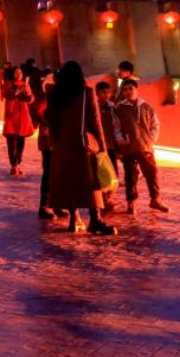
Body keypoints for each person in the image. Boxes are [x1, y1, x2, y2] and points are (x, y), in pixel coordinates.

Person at [46, 61, 117, 236]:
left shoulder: (55, 94)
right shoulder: (86, 93)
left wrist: (55, 143)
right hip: (83, 145)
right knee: (91, 183)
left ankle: (74, 219)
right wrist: (102, 146)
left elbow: (51, 120)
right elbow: (95, 121)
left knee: (70, 182)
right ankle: (95, 219)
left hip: (62, 145)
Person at [115, 79, 170, 214]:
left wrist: (151, 139)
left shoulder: (146, 106)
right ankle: (131, 202)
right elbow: (116, 127)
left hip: (145, 146)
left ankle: (155, 199)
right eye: (125, 90)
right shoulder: (119, 108)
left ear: (136, 89)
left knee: (151, 173)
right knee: (130, 176)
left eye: (130, 89)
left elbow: (155, 125)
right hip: (128, 147)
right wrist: (121, 140)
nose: (127, 92)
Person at [35, 74, 64, 220]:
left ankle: (57, 203)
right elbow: (39, 111)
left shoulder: (59, 96)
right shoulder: (50, 96)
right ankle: (44, 205)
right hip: (49, 141)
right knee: (49, 172)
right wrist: (46, 126)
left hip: (58, 140)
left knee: (58, 173)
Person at [94, 81, 124, 213]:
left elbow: (117, 126)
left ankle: (110, 197)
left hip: (111, 145)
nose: (106, 95)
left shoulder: (113, 108)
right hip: (98, 146)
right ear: (97, 93)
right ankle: (103, 198)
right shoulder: (93, 108)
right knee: (100, 173)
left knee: (113, 172)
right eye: (103, 92)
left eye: (108, 92)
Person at [2, 66, 34, 176]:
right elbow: (7, 94)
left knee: (21, 143)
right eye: (16, 73)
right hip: (12, 117)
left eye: (20, 72)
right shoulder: (8, 84)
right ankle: (13, 165)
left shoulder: (25, 84)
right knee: (12, 143)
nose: (18, 74)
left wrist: (28, 95)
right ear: (13, 74)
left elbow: (31, 98)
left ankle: (18, 164)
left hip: (23, 117)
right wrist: (16, 92)